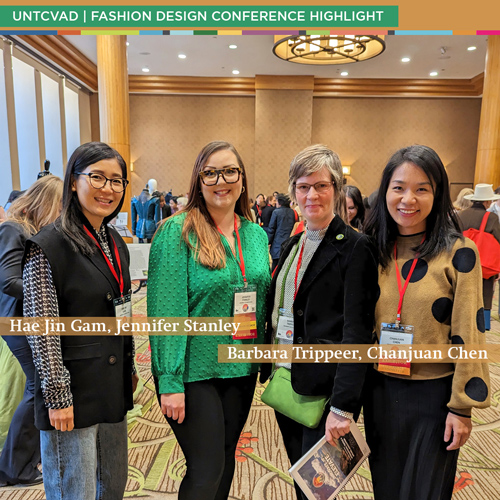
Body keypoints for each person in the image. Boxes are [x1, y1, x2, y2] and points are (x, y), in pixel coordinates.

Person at [363, 145, 490, 500]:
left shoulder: (459, 251)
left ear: (439, 194)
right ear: (385, 190)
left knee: (425, 492)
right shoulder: (371, 248)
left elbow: (470, 331)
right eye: (399, 187)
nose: (408, 199)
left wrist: (461, 407)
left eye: (422, 188)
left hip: (434, 396)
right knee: (386, 488)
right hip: (379, 390)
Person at [148, 141, 271, 500]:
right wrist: (169, 379)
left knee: (225, 461)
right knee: (205, 471)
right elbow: (166, 310)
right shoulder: (178, 231)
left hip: (240, 368)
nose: (222, 180)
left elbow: (261, 299)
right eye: (211, 172)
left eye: (230, 171)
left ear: (243, 179)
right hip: (193, 371)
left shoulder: (255, 234)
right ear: (199, 180)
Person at [260, 144, 378, 500]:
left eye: (321, 186)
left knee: (318, 487)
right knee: (301, 480)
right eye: (302, 186)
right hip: (288, 379)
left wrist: (343, 407)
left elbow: (357, 332)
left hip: (326, 390)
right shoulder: (293, 243)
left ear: (337, 191)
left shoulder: (356, 247)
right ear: (293, 192)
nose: (311, 194)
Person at [23, 142, 138, 500]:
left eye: (117, 181)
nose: (108, 189)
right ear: (74, 182)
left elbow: (123, 306)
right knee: (76, 490)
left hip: (110, 380)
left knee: (111, 485)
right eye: (98, 177)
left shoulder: (114, 239)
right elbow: (41, 327)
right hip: (71, 387)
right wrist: (57, 394)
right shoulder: (49, 245)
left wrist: (130, 363)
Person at [0, 175, 63, 487]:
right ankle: (12, 468)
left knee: (38, 387)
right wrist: (52, 292)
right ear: (46, 202)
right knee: (38, 386)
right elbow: (9, 282)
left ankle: (23, 460)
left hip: (30, 319)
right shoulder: (12, 228)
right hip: (16, 321)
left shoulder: (32, 231)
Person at [458, 183, 500, 331]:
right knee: (484, 293)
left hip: (461, 261)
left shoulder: (461, 215)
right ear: (487, 201)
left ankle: (463, 321)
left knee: (463, 291)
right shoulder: (492, 217)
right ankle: (483, 324)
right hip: (484, 264)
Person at [265, 193, 296, 271]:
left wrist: (268, 241)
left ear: (279, 202)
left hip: (277, 243)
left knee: (275, 268)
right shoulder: (292, 212)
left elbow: (271, 229)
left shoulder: (276, 212)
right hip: (290, 241)